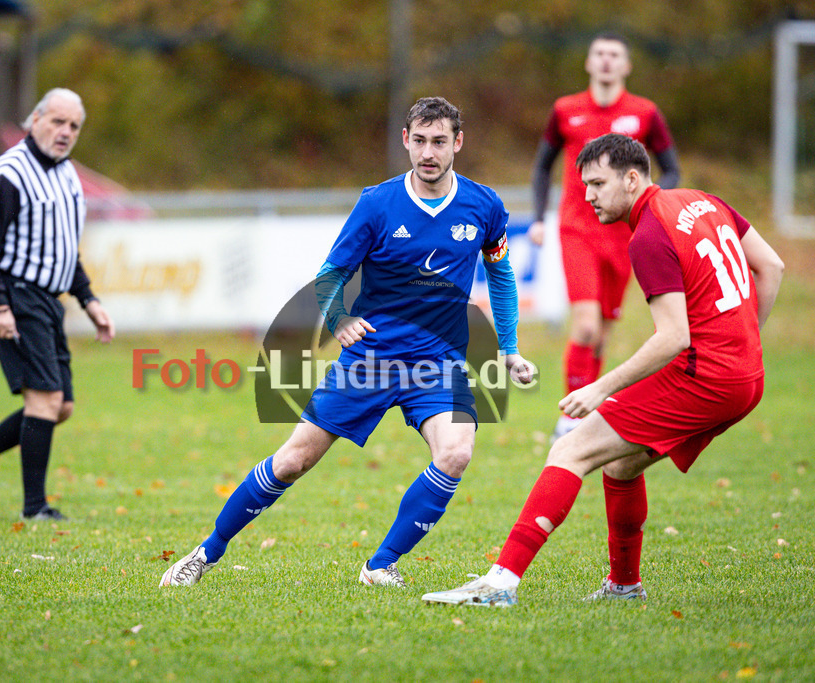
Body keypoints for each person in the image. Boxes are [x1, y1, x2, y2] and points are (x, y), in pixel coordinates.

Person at [160, 96, 536, 588]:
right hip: (371, 359)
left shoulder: (484, 205)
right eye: (419, 140)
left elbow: (501, 272)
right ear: (405, 140)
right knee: (293, 460)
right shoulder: (377, 204)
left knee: (456, 452)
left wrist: (508, 348)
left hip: (439, 363)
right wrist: (338, 320)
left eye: (439, 141)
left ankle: (381, 565)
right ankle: (206, 553)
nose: (428, 152)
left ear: (457, 143)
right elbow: (330, 275)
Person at [422, 133, 784, 607]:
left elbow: (673, 337)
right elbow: (772, 266)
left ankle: (499, 584)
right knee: (620, 462)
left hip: (707, 376)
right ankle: (624, 586)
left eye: (596, 183)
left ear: (632, 179)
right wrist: (743, 341)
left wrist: (599, 388)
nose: (587, 195)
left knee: (571, 449)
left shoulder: (651, 233)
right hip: (745, 376)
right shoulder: (704, 200)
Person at [0, 88, 115, 522]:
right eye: (57, 121)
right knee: (45, 400)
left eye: (74, 126)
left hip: (48, 301)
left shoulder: (68, 175)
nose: (65, 132)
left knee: (60, 407)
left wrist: (88, 299)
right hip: (16, 296)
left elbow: (64, 249)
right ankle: (35, 508)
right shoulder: (10, 173)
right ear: (34, 119)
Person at [527, 32, 681, 442]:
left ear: (627, 65)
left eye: (615, 55)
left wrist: (655, 212)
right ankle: (570, 417)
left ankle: (586, 409)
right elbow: (543, 167)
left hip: (625, 237)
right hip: (576, 229)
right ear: (589, 63)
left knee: (603, 335)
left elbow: (671, 169)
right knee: (586, 326)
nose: (607, 61)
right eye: (600, 54)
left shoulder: (645, 113)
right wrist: (539, 217)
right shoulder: (566, 110)